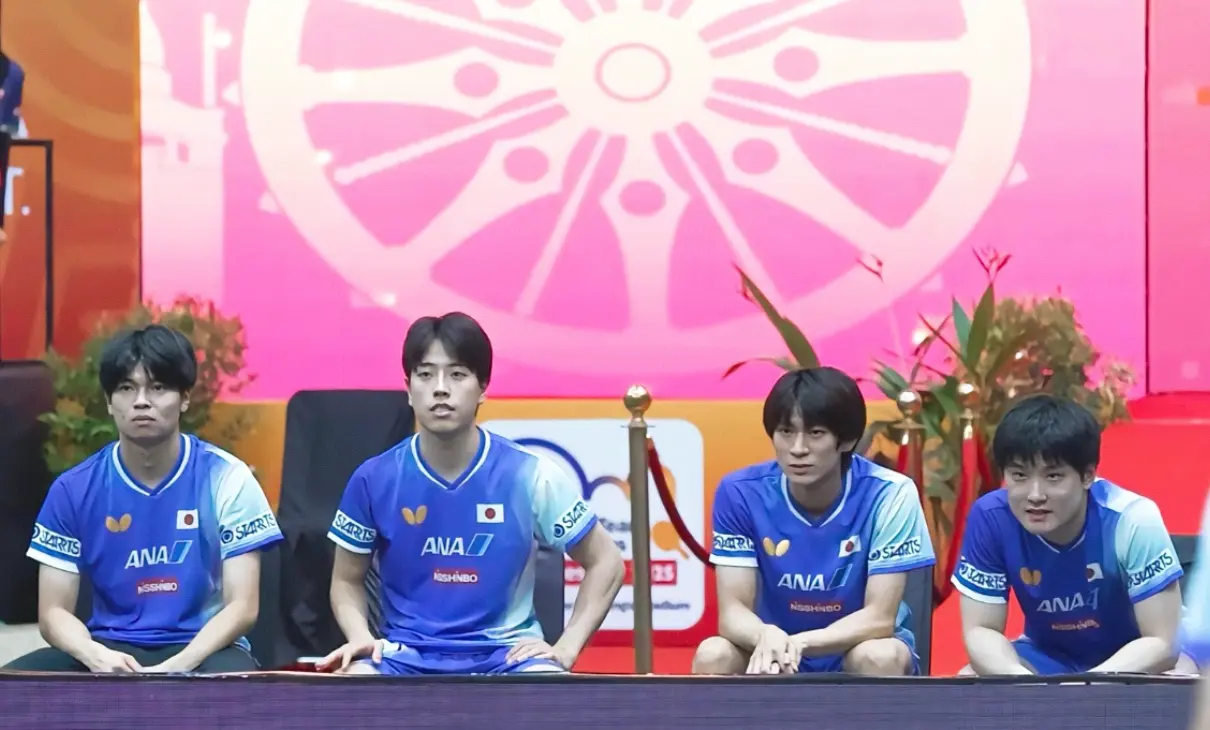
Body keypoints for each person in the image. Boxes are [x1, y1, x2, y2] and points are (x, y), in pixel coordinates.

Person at [320, 312, 624, 675]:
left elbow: (607, 562)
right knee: (354, 684)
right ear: (408, 388)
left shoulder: (530, 475)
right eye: (425, 374)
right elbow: (346, 579)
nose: (440, 388)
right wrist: (359, 636)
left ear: (483, 387)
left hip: (507, 658)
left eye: (458, 374)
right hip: (404, 657)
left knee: (548, 687)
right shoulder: (373, 479)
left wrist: (567, 647)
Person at [3, 325, 282, 673]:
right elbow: (53, 612)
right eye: (126, 388)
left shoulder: (227, 479)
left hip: (204, 648)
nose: (141, 401)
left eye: (158, 387)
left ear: (184, 398)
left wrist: (178, 666)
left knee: (234, 691)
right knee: (12, 687)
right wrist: (93, 655)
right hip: (109, 648)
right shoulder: (73, 489)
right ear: (109, 402)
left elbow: (242, 607)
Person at [693, 367, 936, 676]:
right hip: (772, 644)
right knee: (713, 655)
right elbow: (732, 613)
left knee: (880, 657)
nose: (798, 449)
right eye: (786, 432)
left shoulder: (890, 493)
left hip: (856, 644)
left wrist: (799, 643)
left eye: (815, 433)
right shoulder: (740, 492)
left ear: (847, 440)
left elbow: (879, 618)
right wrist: (766, 636)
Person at [953, 394, 1184, 675]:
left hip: (1136, 656)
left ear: (1087, 476)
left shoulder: (1133, 519)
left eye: (1053, 477)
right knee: (970, 677)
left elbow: (1162, 643)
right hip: (1049, 655)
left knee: (1183, 682)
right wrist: (1022, 682)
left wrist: (1083, 687)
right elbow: (981, 630)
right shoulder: (991, 518)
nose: (1035, 495)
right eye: (1019, 476)